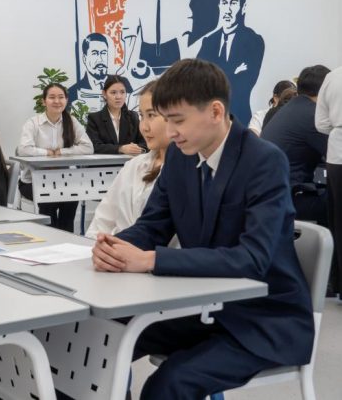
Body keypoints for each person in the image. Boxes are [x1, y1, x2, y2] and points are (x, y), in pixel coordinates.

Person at [91, 59, 314, 400]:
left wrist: (151, 260)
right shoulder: (180, 157)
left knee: (169, 383)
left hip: (263, 321)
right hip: (205, 309)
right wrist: (112, 247)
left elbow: (252, 258)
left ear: (215, 111)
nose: (170, 132)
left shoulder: (264, 161)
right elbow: (152, 226)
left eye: (177, 120)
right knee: (96, 342)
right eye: (166, 120)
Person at [86, 81, 168, 236]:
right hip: (118, 247)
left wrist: (137, 148)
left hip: (138, 248)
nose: (144, 127)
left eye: (151, 115)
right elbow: (102, 221)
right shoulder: (133, 166)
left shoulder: (187, 171)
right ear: (104, 94)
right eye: (142, 116)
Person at [17, 83, 94, 232]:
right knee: (49, 197)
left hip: (63, 180)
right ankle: (50, 236)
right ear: (43, 101)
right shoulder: (33, 123)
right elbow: (23, 149)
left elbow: (88, 147)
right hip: (32, 181)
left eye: (61, 97)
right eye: (52, 97)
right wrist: (47, 153)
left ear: (66, 100)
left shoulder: (71, 121)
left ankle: (67, 237)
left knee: (72, 196)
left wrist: (61, 152)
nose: (57, 101)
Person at [262, 65, 330, 227]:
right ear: (326, 91)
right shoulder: (313, 115)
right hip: (285, 200)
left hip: (268, 197)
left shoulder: (290, 108)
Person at [197, 0, 265, 125]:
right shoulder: (209, 41)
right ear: (219, 6)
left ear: (243, 7)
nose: (227, 9)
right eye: (224, 3)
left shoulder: (254, 41)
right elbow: (197, 80)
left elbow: (245, 84)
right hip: (208, 120)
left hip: (239, 119)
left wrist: (213, 76)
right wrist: (233, 71)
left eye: (233, 3)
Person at [316, 65, 342, 297]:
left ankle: (339, 284)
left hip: (338, 155)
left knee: (338, 220)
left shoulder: (333, 77)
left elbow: (321, 123)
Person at [68, 33, 135, 112]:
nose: (100, 59)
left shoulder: (123, 82)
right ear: (84, 59)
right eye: (95, 53)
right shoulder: (73, 92)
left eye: (103, 53)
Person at [86, 75, 146, 155]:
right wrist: (120, 148)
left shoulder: (133, 116)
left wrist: (137, 149)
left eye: (122, 92)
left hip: (131, 161)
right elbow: (94, 146)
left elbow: (145, 142)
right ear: (104, 94)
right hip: (105, 163)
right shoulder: (94, 119)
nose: (118, 97)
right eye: (113, 92)